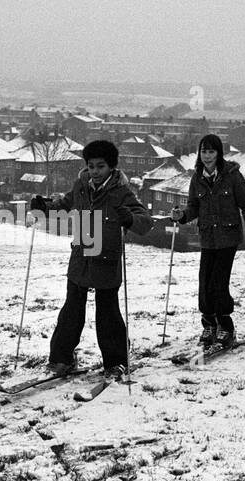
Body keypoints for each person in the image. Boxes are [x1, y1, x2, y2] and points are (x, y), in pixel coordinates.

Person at [30, 140, 153, 382]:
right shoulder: (82, 186)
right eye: (91, 166)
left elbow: (145, 222)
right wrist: (45, 207)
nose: (95, 171)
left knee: (108, 315)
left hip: (107, 259)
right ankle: (61, 359)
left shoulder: (120, 191)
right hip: (81, 257)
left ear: (111, 167)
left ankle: (116, 362)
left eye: (100, 166)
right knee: (71, 312)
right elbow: (65, 204)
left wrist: (128, 218)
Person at [171, 134, 245, 349]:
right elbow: (193, 207)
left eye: (211, 151)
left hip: (228, 237)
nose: (207, 156)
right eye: (204, 151)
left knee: (219, 282)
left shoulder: (232, 176)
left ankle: (226, 327)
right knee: (205, 283)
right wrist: (181, 216)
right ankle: (209, 324)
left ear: (219, 154)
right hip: (208, 238)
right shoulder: (197, 178)